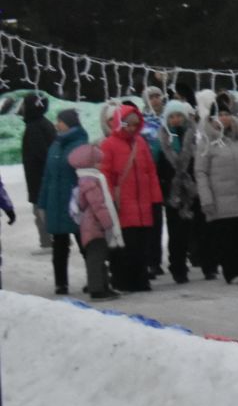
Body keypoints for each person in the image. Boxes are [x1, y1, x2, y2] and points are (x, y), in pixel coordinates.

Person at [96, 102, 162, 293]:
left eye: (135, 124)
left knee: (141, 244)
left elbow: (150, 172)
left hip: (142, 205)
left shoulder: (141, 143)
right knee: (126, 245)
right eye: (128, 124)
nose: (132, 128)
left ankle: (140, 280)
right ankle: (123, 280)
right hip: (122, 204)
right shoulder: (109, 145)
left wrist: (155, 199)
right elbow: (105, 175)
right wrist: (108, 202)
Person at [195, 100, 238, 285]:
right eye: (219, 115)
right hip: (221, 200)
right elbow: (201, 172)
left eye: (226, 114)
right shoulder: (206, 143)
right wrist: (206, 198)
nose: (223, 118)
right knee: (227, 238)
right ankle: (232, 271)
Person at [157, 100, 209, 283]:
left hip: (193, 190)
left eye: (179, 115)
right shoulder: (162, 140)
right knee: (176, 234)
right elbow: (160, 168)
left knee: (201, 230)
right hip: (174, 193)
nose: (176, 119)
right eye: (171, 116)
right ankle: (178, 268)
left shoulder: (196, 137)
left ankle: (207, 265)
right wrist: (166, 190)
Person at [40, 110, 87, 295]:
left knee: (85, 242)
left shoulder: (80, 145)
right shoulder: (55, 145)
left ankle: (96, 277)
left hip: (75, 203)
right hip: (56, 202)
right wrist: (42, 201)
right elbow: (47, 176)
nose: (57, 124)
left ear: (70, 123)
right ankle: (61, 283)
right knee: (59, 245)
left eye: (60, 121)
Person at [68, 141, 122, 300]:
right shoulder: (90, 182)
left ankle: (103, 285)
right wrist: (108, 223)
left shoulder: (88, 180)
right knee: (96, 258)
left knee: (101, 257)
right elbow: (98, 205)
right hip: (95, 227)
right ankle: (97, 288)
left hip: (91, 226)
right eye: (98, 162)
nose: (100, 165)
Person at [19, 94, 55, 252]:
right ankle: (55, 239)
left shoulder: (34, 127)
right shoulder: (43, 123)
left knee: (40, 209)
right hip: (43, 177)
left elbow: (40, 153)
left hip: (39, 178)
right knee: (45, 208)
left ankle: (49, 241)